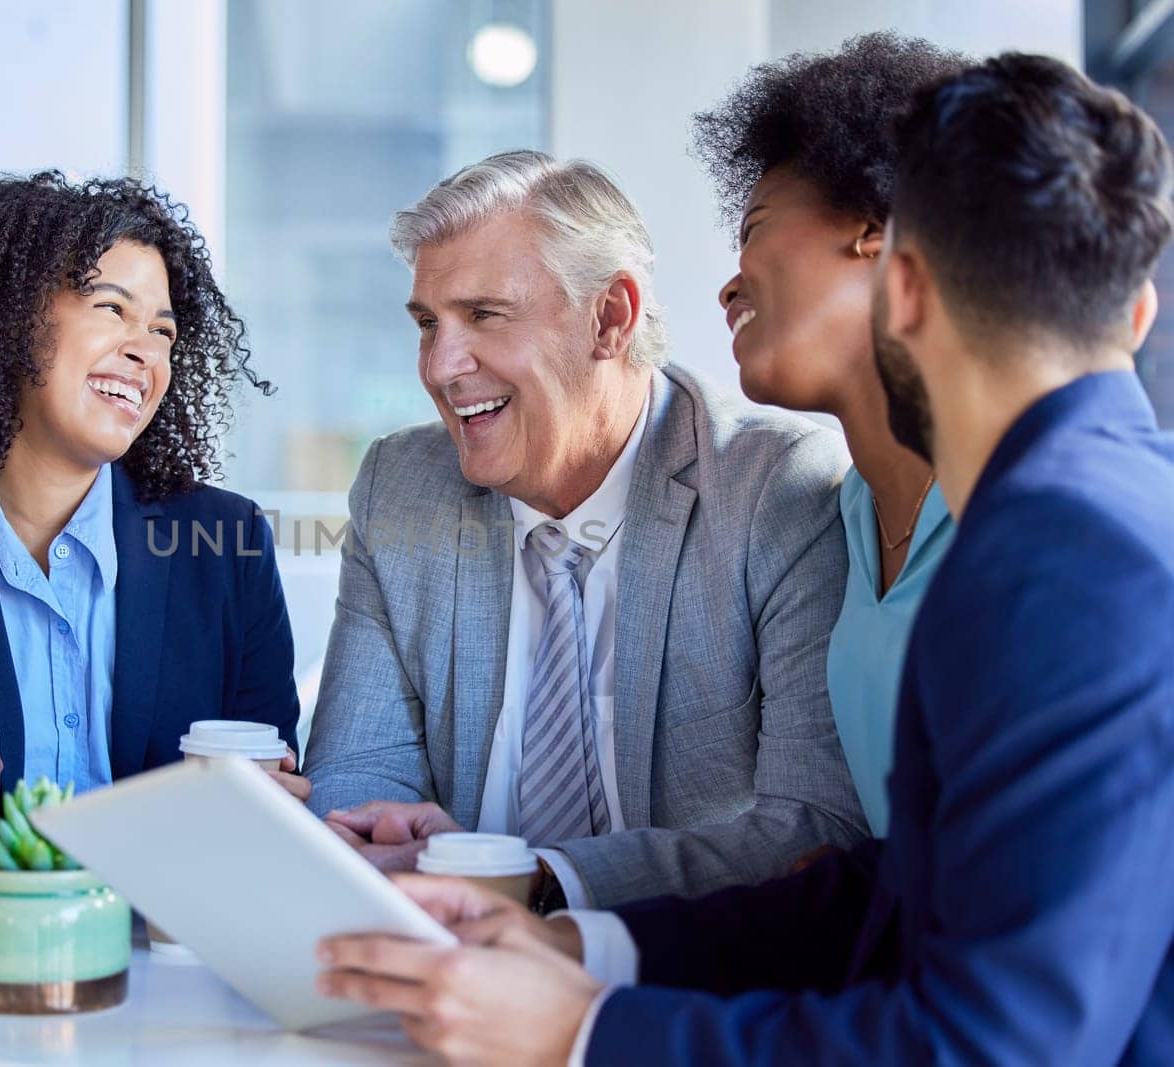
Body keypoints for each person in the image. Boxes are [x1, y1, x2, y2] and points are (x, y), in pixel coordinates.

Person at [318, 53, 1174, 1066]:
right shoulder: (1074, 513)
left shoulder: (1071, 553)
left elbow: (991, 1044)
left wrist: (581, 1029)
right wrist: (581, 941)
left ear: (897, 284)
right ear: (1133, 312)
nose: (440, 363)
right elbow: (892, 888)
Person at [305, 149, 867, 909]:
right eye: (428, 323)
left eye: (483, 316)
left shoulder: (775, 486)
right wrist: (383, 849)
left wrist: (531, 877)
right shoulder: (400, 486)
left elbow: (812, 826)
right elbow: (354, 781)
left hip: (678, 991)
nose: (440, 366)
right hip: (446, 974)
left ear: (610, 317)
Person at [0, 173, 304, 798]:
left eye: (162, 331)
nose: (146, 353)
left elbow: (272, 785)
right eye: (112, 308)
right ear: (11, 313)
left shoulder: (225, 543)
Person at [695, 32, 965, 836]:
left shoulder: (1015, 509)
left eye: (756, 226)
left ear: (877, 229)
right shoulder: (843, 513)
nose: (729, 281)